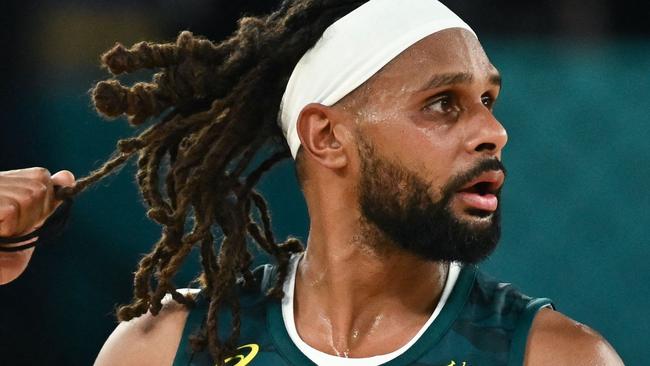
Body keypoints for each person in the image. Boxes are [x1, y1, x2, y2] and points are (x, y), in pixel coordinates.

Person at [0, 0, 624, 365]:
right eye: (443, 103)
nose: (494, 131)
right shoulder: (162, 348)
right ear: (326, 136)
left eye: (488, 99)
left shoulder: (556, 358)